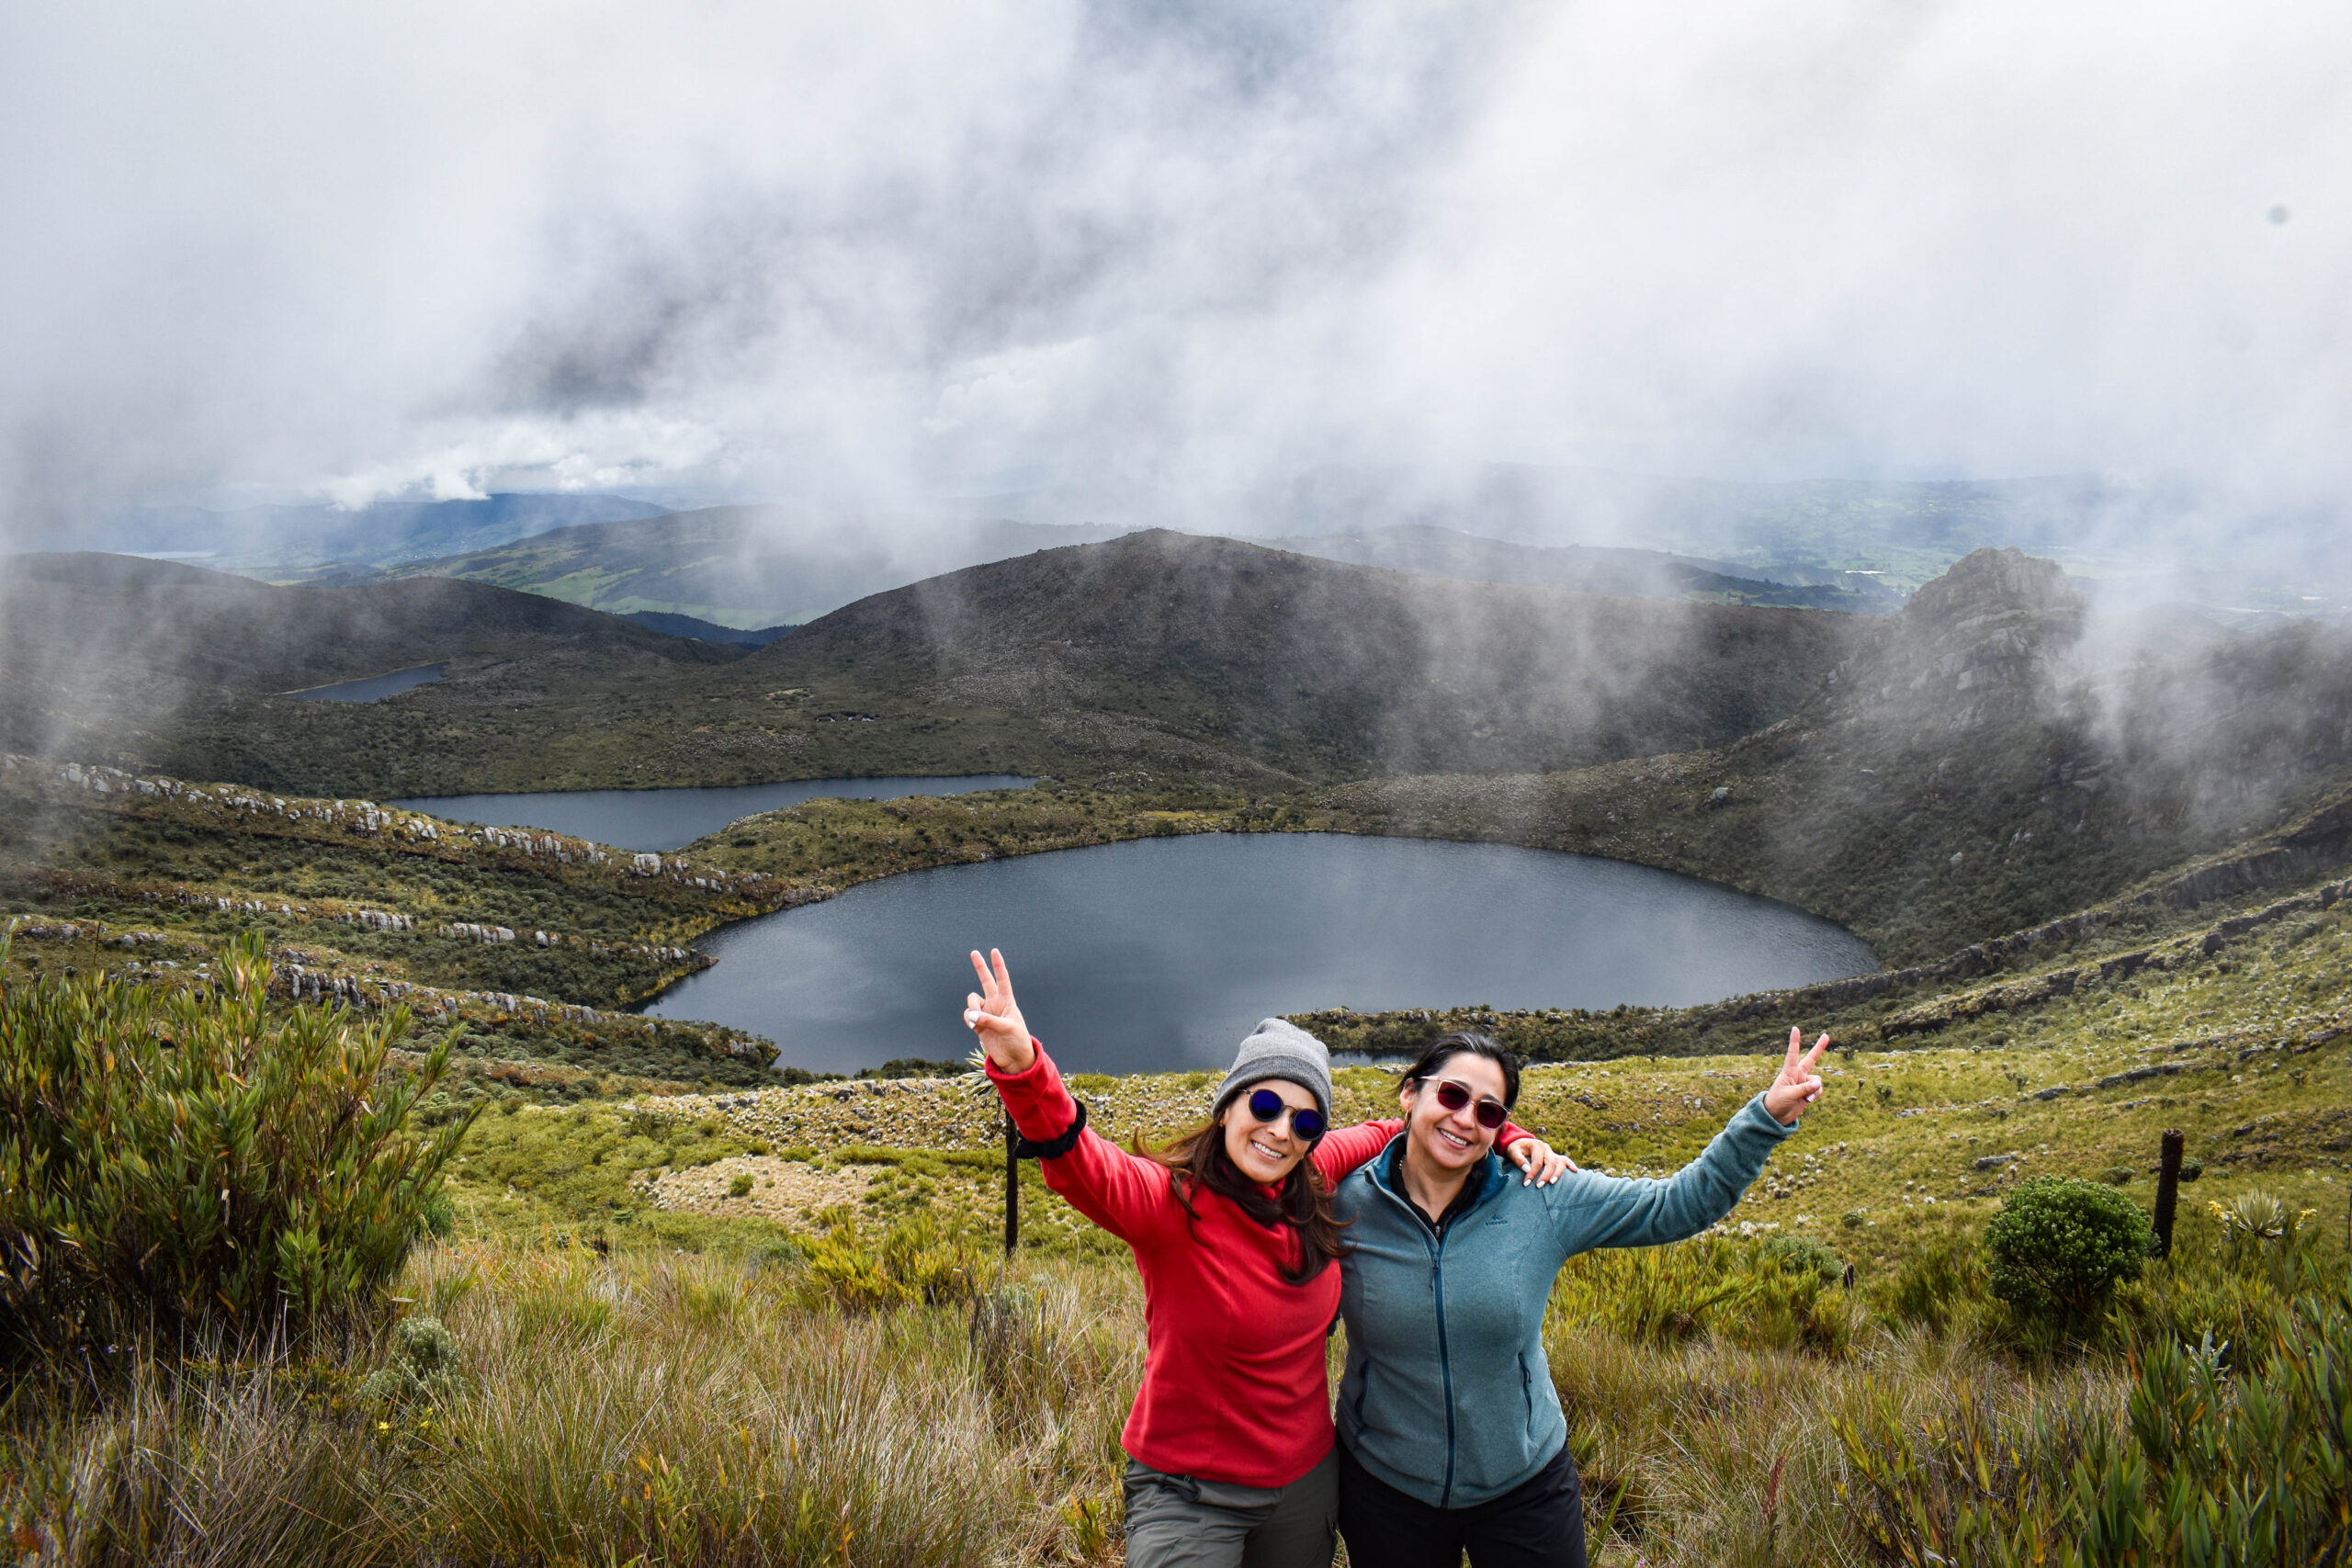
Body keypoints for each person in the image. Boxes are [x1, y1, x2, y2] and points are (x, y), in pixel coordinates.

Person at [959, 949, 1576, 1568]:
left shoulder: (1314, 1173)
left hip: (1305, 1483)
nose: (1281, 1130)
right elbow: (1080, 1162)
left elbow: (1412, 1120)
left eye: (1304, 1118)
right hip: (1189, 1488)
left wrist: (1510, 1136)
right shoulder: (1170, 1202)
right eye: (1263, 1106)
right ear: (1227, 1105)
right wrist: (1022, 1066)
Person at [1331, 1026, 1831, 1568]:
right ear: (1412, 1093)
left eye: (1489, 1112)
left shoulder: (1539, 1194)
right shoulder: (1341, 1204)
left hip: (1524, 1487)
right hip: (1386, 1488)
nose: (1464, 1119)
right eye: (1451, 1095)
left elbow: (1677, 1204)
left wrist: (1765, 1117)